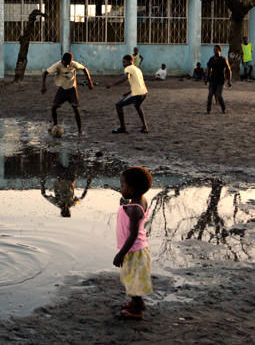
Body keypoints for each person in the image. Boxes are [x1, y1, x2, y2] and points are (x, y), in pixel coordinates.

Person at [113, 166, 153, 319]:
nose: (121, 188)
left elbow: (133, 235)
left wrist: (120, 254)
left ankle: (136, 312)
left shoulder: (134, 209)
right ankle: (138, 302)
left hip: (133, 250)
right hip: (138, 249)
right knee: (134, 278)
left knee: (133, 280)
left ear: (132, 189)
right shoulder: (141, 199)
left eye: (123, 185)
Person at [42, 52, 94, 135]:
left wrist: (90, 81)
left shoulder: (74, 64)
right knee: (54, 108)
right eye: (65, 64)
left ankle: (80, 130)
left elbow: (84, 69)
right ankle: (55, 125)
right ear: (62, 61)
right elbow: (45, 73)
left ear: (71, 62)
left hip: (72, 90)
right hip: (62, 89)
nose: (67, 66)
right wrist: (43, 86)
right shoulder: (58, 65)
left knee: (76, 109)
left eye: (68, 64)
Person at [106, 55, 149, 134]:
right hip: (144, 93)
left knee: (118, 105)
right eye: (123, 62)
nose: (123, 64)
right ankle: (145, 127)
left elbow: (126, 77)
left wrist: (112, 84)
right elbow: (139, 83)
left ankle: (122, 128)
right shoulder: (138, 69)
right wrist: (129, 92)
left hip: (137, 94)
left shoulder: (128, 68)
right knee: (137, 106)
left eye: (124, 62)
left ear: (130, 61)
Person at [205, 44, 232, 114]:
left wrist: (229, 81)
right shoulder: (211, 59)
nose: (214, 51)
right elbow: (208, 69)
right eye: (214, 50)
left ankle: (223, 108)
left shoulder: (223, 59)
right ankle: (208, 110)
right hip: (212, 80)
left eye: (216, 50)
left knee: (219, 95)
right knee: (210, 95)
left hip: (220, 80)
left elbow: (229, 70)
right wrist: (206, 78)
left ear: (220, 51)